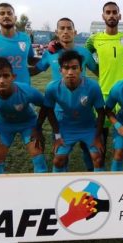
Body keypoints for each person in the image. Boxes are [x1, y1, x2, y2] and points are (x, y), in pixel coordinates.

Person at [29, 17, 98, 171]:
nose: (65, 31)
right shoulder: (50, 53)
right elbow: (37, 69)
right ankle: (60, 186)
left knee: (90, 152)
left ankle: (94, 176)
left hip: (84, 107)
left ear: (75, 32)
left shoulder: (84, 52)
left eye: (69, 28)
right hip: (60, 113)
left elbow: (98, 70)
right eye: (62, 28)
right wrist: (14, 71)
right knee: (61, 154)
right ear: (56, 32)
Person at [85, 1, 123, 160]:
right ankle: (101, 172)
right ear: (103, 16)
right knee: (102, 136)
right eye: (108, 12)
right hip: (104, 93)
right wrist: (98, 71)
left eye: (114, 12)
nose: (111, 15)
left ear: (119, 16)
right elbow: (84, 54)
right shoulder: (94, 39)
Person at [0, 57, 47, 174]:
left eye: (6, 76)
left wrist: (38, 128)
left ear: (13, 77)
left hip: (28, 124)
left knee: (38, 157)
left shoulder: (26, 91)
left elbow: (46, 105)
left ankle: (41, 189)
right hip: (3, 124)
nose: (1, 80)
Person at [43, 50, 105, 172]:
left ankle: (99, 186)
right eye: (66, 68)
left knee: (98, 158)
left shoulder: (92, 86)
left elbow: (101, 112)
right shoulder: (52, 88)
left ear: (81, 69)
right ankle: (58, 187)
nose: (70, 72)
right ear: (60, 70)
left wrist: (97, 136)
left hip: (88, 127)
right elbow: (49, 111)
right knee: (58, 160)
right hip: (66, 128)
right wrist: (57, 135)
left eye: (74, 68)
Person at [0, 3, 38, 86]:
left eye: (9, 13)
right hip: (1, 89)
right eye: (2, 13)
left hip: (24, 89)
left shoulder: (25, 37)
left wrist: (48, 57)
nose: (6, 16)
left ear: (15, 18)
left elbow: (30, 60)